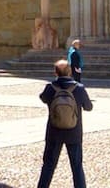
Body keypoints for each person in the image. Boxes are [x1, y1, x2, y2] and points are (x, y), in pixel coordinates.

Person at [39, 59, 94, 188]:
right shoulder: (79, 88)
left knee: (48, 165)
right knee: (76, 167)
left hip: (54, 131)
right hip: (73, 131)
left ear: (55, 72)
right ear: (70, 71)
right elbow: (88, 107)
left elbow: (43, 98)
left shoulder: (50, 87)